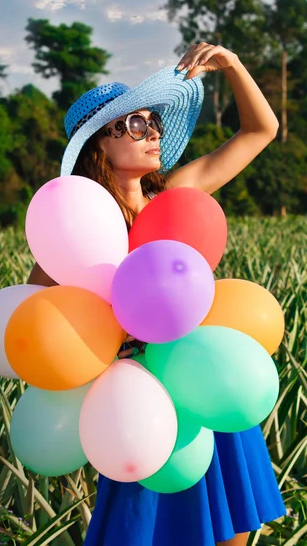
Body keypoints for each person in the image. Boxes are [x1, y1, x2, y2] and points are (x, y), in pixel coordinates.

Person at [28, 42, 286, 546]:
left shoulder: (175, 196)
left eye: (153, 123)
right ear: (99, 144)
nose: (153, 133)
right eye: (136, 125)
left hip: (206, 379)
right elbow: (39, 314)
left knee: (231, 530)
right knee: (141, 533)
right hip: (136, 404)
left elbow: (262, 131)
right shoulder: (77, 228)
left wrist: (231, 65)